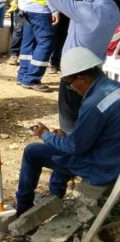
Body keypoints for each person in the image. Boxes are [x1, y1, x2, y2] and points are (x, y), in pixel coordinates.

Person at [14, 47, 120, 216]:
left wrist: (45, 135)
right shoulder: (114, 87)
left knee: (32, 152)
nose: (72, 88)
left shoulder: (93, 104)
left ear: (82, 78)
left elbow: (75, 147)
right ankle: (55, 195)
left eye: (70, 83)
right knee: (61, 147)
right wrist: (64, 138)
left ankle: (23, 210)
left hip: (101, 169)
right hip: (111, 157)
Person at [39, 0, 120, 133]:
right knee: (87, 117)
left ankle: (71, 149)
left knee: (69, 120)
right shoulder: (112, 9)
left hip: (75, 75)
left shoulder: (87, 11)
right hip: (95, 72)